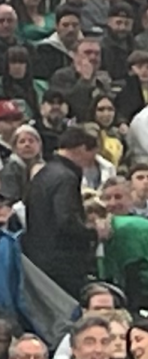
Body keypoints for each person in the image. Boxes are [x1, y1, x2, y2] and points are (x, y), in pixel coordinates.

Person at [22, 125, 99, 296]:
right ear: (81, 149)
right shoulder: (66, 178)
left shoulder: (44, 173)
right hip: (62, 262)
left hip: (38, 256)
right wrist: (93, 232)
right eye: (92, 154)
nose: (92, 161)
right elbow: (66, 221)